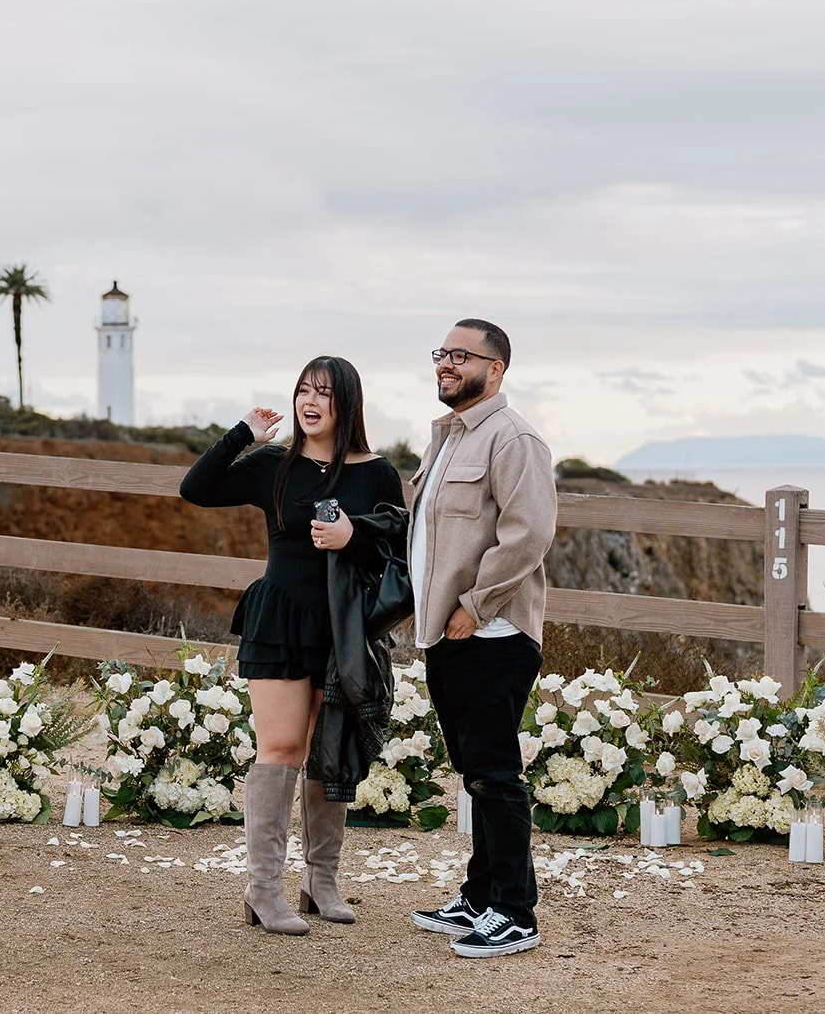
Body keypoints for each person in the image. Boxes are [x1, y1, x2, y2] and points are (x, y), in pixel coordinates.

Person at [180, 356, 404, 936]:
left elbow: (399, 544)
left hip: (342, 628)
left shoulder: (377, 471)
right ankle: (263, 891)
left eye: (323, 393)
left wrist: (353, 536)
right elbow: (195, 488)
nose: (310, 401)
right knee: (280, 747)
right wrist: (242, 434)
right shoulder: (273, 465)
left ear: (346, 404)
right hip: (279, 618)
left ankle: (320, 881)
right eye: (303, 389)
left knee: (327, 749)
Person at [406, 318, 556, 958]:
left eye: (460, 355)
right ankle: (479, 895)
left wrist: (474, 604)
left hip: (490, 631)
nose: (446, 363)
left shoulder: (513, 438)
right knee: (475, 773)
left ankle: (515, 913)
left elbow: (529, 533)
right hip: (449, 634)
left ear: (495, 369)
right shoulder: (446, 438)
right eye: (442, 352)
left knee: (495, 775)